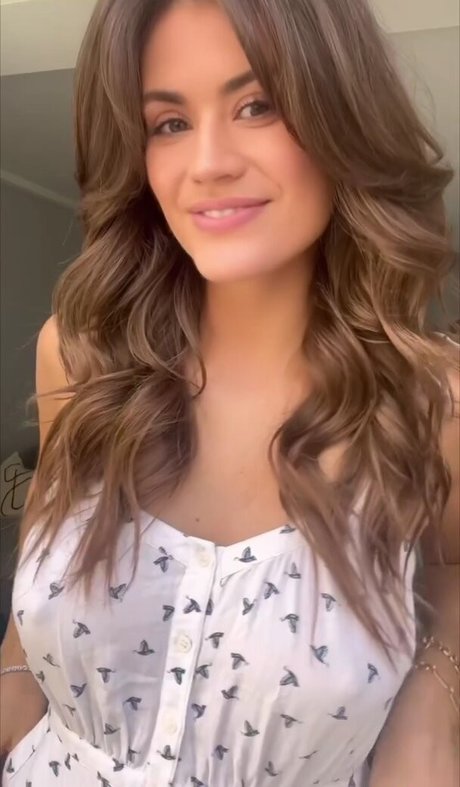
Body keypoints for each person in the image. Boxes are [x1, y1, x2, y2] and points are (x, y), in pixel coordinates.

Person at [0, 0, 459, 785]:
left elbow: (453, 569)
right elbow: (47, 557)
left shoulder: (431, 401)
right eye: (170, 123)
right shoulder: (77, 356)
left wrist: (433, 699)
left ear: (343, 118)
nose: (208, 162)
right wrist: (14, 683)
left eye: (258, 106)